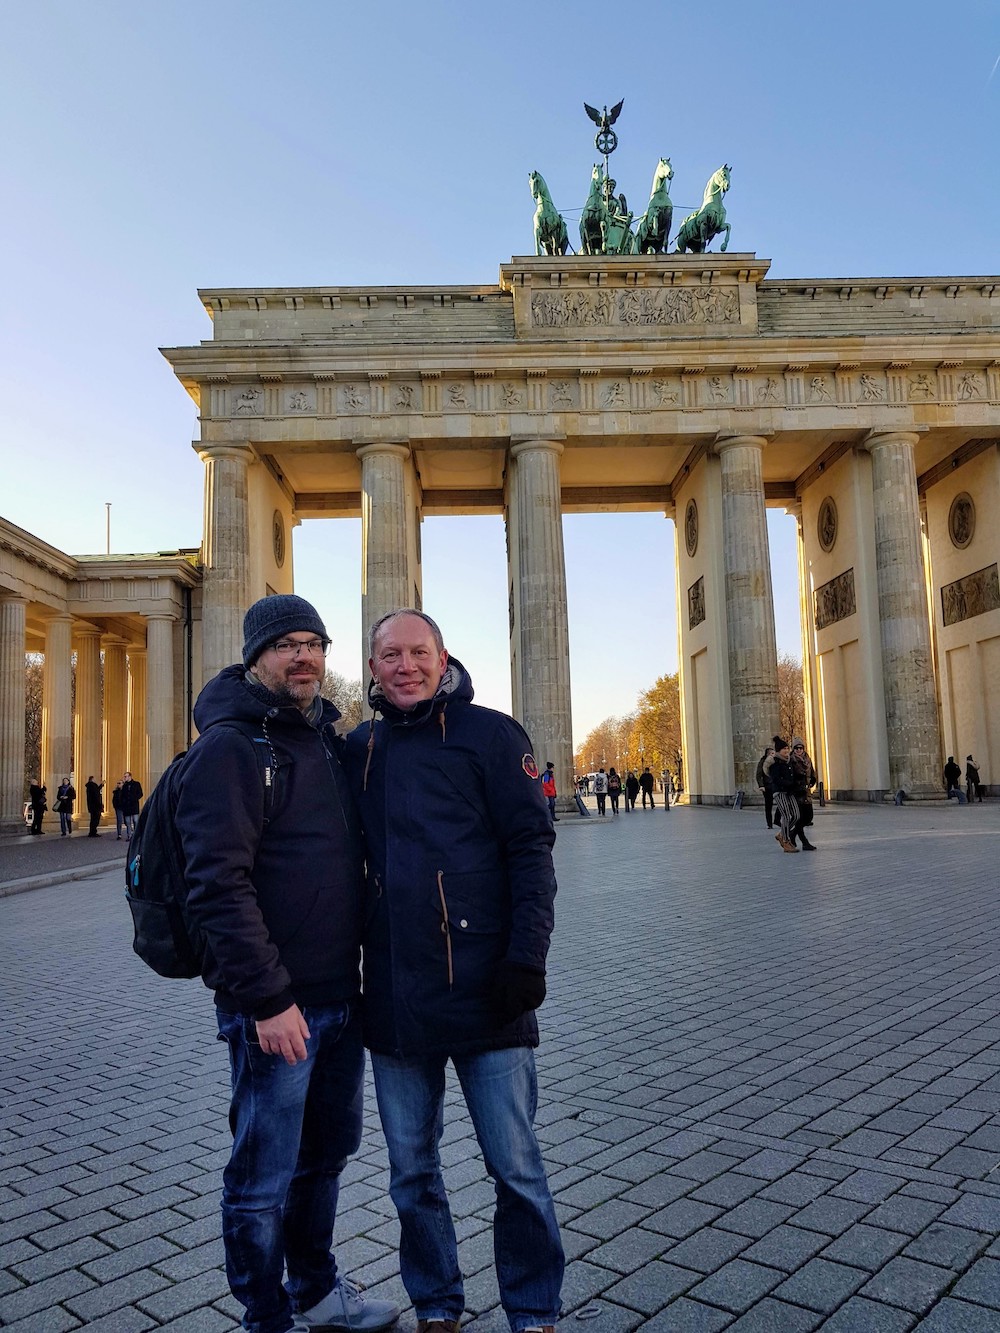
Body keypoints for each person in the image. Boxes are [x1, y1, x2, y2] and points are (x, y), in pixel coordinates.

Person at [173, 594, 400, 1333]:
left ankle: (317, 1289)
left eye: (314, 643)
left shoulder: (323, 743)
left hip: (340, 998)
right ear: (255, 657)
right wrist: (268, 1000)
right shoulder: (231, 749)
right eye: (286, 645)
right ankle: (265, 1316)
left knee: (324, 1159)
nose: (303, 656)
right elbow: (217, 885)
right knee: (262, 1177)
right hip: (275, 1008)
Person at [342, 608, 564, 1333]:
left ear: (443, 659)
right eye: (389, 654)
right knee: (411, 1174)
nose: (404, 665)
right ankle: (438, 1303)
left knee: (516, 1168)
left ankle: (532, 1309)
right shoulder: (359, 748)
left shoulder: (491, 736)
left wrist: (527, 959)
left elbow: (532, 852)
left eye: (417, 652)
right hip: (398, 999)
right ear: (371, 666)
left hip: (489, 989)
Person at [768, 737, 810, 852]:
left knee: (796, 815)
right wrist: (788, 784)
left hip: (790, 791)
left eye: (787, 748)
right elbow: (776, 779)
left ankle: (782, 834)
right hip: (780, 792)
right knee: (786, 815)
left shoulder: (789, 761)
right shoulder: (775, 762)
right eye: (783, 749)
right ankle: (786, 842)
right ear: (778, 751)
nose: (786, 751)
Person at [789, 739, 818, 851]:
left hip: (806, 792)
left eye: (800, 748)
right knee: (799, 818)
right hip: (797, 793)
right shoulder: (791, 760)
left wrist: (813, 780)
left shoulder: (807, 759)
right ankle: (805, 843)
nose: (799, 750)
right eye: (796, 748)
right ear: (793, 749)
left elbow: (812, 771)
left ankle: (792, 834)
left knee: (808, 817)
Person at [755, 745, 774, 830]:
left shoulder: (776, 761)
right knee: (768, 805)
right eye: (771, 753)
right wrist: (761, 786)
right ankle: (769, 823)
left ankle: (777, 820)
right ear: (767, 754)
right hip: (767, 786)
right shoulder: (762, 762)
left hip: (775, 785)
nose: (773, 755)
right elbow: (759, 775)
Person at [119, 771, 143, 839]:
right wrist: (123, 802)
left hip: (134, 805)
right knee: (128, 822)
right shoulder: (124, 786)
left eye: (126, 776)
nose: (125, 778)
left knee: (135, 821)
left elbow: (140, 793)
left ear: (130, 776)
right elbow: (122, 796)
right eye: (124, 776)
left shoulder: (136, 784)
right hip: (127, 806)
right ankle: (129, 836)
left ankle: (136, 835)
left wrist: (135, 798)